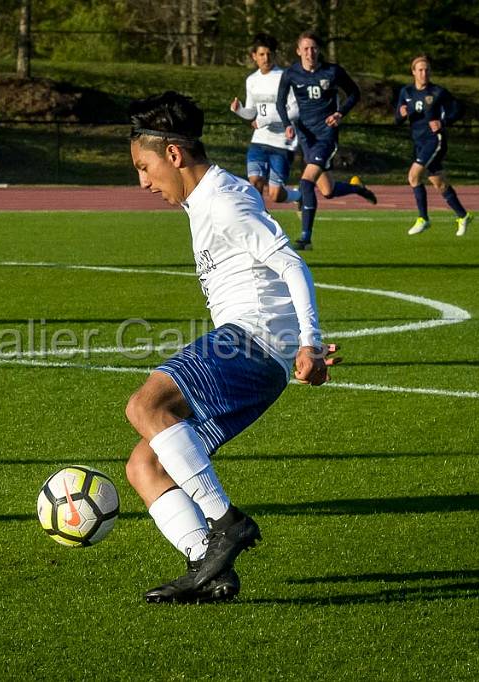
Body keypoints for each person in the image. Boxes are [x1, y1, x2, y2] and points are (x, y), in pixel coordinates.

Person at [126, 91, 339, 603]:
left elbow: (292, 263)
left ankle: (227, 524)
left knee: (145, 405)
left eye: (145, 166)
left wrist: (307, 342)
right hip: (258, 356)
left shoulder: (224, 198)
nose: (143, 181)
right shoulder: (203, 203)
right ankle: (210, 568)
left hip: (253, 340)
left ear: (174, 155)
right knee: (146, 465)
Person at [275, 31, 377, 250]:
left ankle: (305, 238)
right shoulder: (292, 73)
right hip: (305, 136)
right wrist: (286, 125)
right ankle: (357, 188)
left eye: (313, 48)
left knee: (305, 182)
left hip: (326, 135)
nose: (310, 52)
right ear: (298, 51)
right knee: (328, 191)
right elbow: (280, 102)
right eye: (306, 48)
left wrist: (340, 113)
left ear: (318, 50)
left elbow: (354, 93)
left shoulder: (332, 71)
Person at [396, 54, 473, 237]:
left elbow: (459, 109)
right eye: (420, 70)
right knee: (438, 183)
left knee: (413, 176)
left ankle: (423, 218)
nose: (424, 73)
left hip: (434, 140)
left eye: (427, 70)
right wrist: (401, 114)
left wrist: (443, 122)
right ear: (413, 72)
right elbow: (398, 118)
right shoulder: (406, 92)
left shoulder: (438, 92)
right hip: (418, 142)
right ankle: (463, 215)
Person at [230, 33, 302, 206]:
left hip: (282, 142)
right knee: (254, 184)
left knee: (276, 195)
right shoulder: (252, 80)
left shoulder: (285, 77)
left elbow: (295, 111)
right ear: (254, 56)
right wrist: (239, 110)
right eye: (261, 54)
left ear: (274, 55)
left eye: (269, 54)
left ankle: (299, 196)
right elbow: (252, 113)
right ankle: (259, 224)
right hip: (259, 140)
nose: (266, 58)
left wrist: (267, 119)